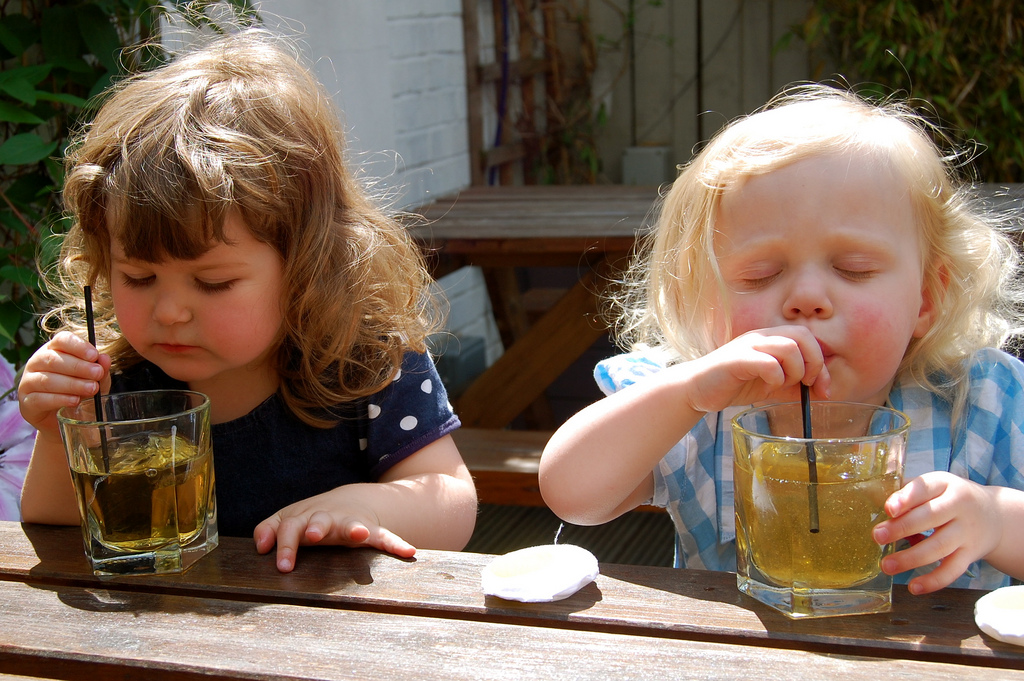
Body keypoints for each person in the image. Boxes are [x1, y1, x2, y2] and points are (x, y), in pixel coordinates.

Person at [17, 29, 477, 573]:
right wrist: (61, 430)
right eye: (139, 277)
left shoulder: (366, 365)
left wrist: (361, 507)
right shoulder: (123, 385)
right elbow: (51, 523)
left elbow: (451, 500)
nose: (169, 311)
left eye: (212, 282)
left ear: (308, 266)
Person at [539, 84, 1024, 593]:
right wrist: (686, 393)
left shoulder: (981, 402)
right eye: (760, 275)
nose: (807, 298)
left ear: (926, 297)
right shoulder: (699, 408)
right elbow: (572, 495)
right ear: (705, 301)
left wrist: (993, 519)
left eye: (853, 269)